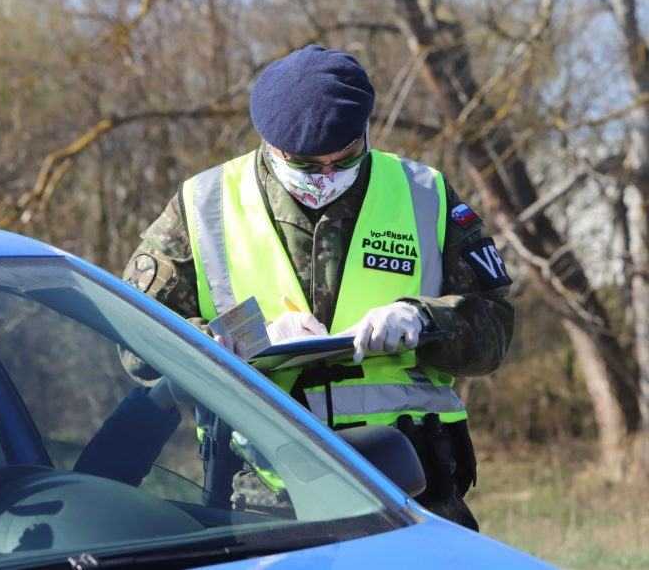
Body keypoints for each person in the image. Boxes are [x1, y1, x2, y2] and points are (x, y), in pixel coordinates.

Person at [121, 45, 513, 530]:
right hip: (261, 496)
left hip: (413, 485)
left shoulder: (424, 193)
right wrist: (243, 335)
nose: (326, 176)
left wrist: (425, 319)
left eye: (344, 156)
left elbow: (494, 332)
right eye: (307, 164)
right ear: (270, 143)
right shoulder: (203, 204)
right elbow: (135, 340)